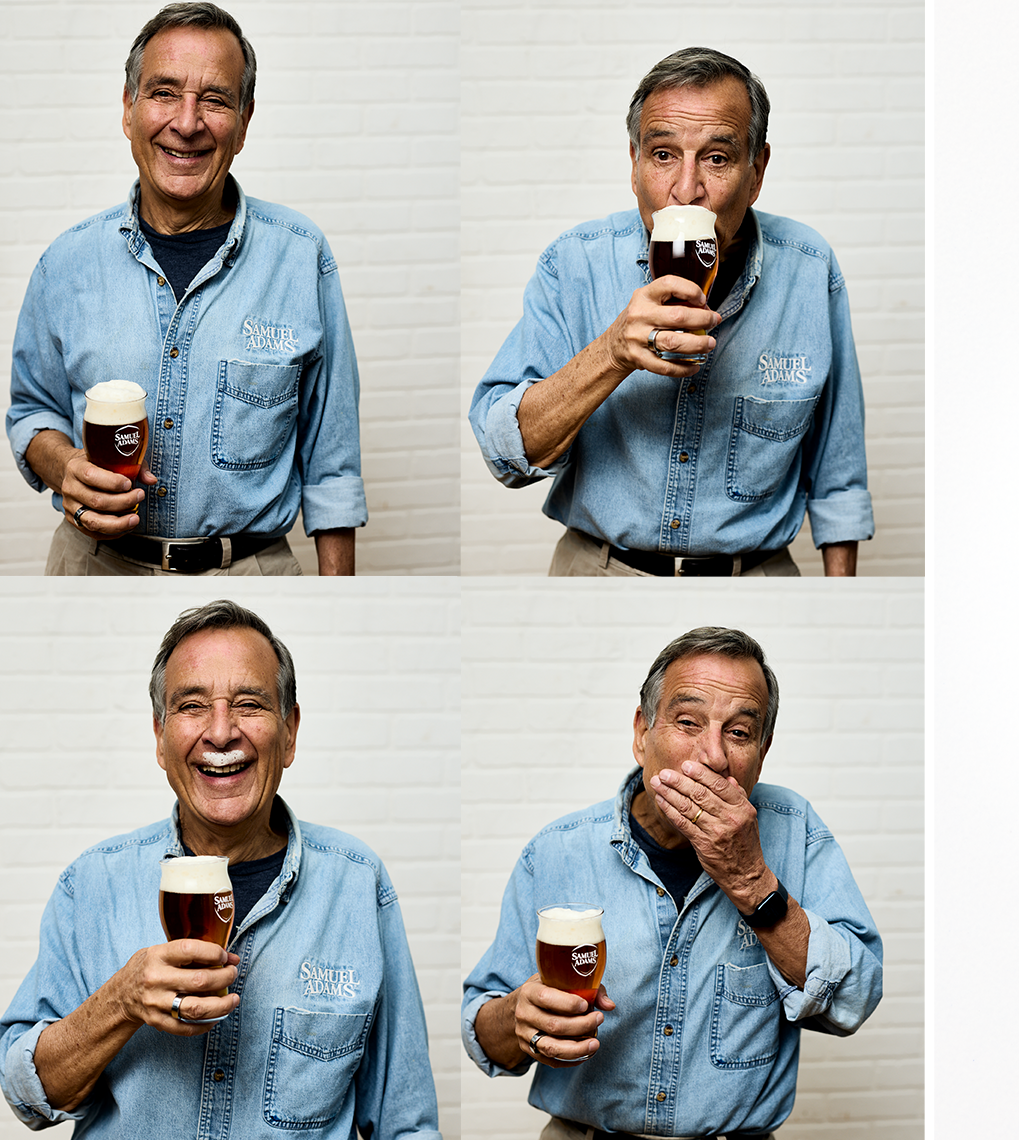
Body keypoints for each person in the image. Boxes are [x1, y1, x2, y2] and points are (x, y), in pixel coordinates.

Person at [0, 601, 439, 1138]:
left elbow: (406, 1122)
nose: (221, 732)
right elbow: (27, 1097)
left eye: (249, 704)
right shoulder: (91, 886)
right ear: (160, 736)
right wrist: (121, 1001)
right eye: (191, 706)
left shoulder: (356, 884)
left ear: (290, 731)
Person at [463, 628, 882, 1138]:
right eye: (688, 722)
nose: (713, 756)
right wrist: (516, 1018)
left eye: (739, 732)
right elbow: (484, 1035)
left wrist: (751, 882)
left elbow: (855, 1000)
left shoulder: (797, 833)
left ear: (762, 751)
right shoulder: (556, 851)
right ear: (642, 733)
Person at [469, 48, 872, 577]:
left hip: (757, 576)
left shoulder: (808, 268)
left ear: (757, 171)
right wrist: (612, 353)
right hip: (599, 575)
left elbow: (839, 479)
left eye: (717, 158)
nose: (686, 190)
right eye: (663, 155)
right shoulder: (574, 264)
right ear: (634, 166)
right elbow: (506, 455)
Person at [5, 3, 365, 576]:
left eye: (216, 99)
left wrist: (341, 601)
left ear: (244, 122)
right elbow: (30, 412)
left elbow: (333, 465)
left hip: (255, 572)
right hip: (91, 568)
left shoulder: (302, 258)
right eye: (164, 92)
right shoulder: (65, 264)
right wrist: (63, 465)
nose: (188, 122)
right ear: (128, 109)